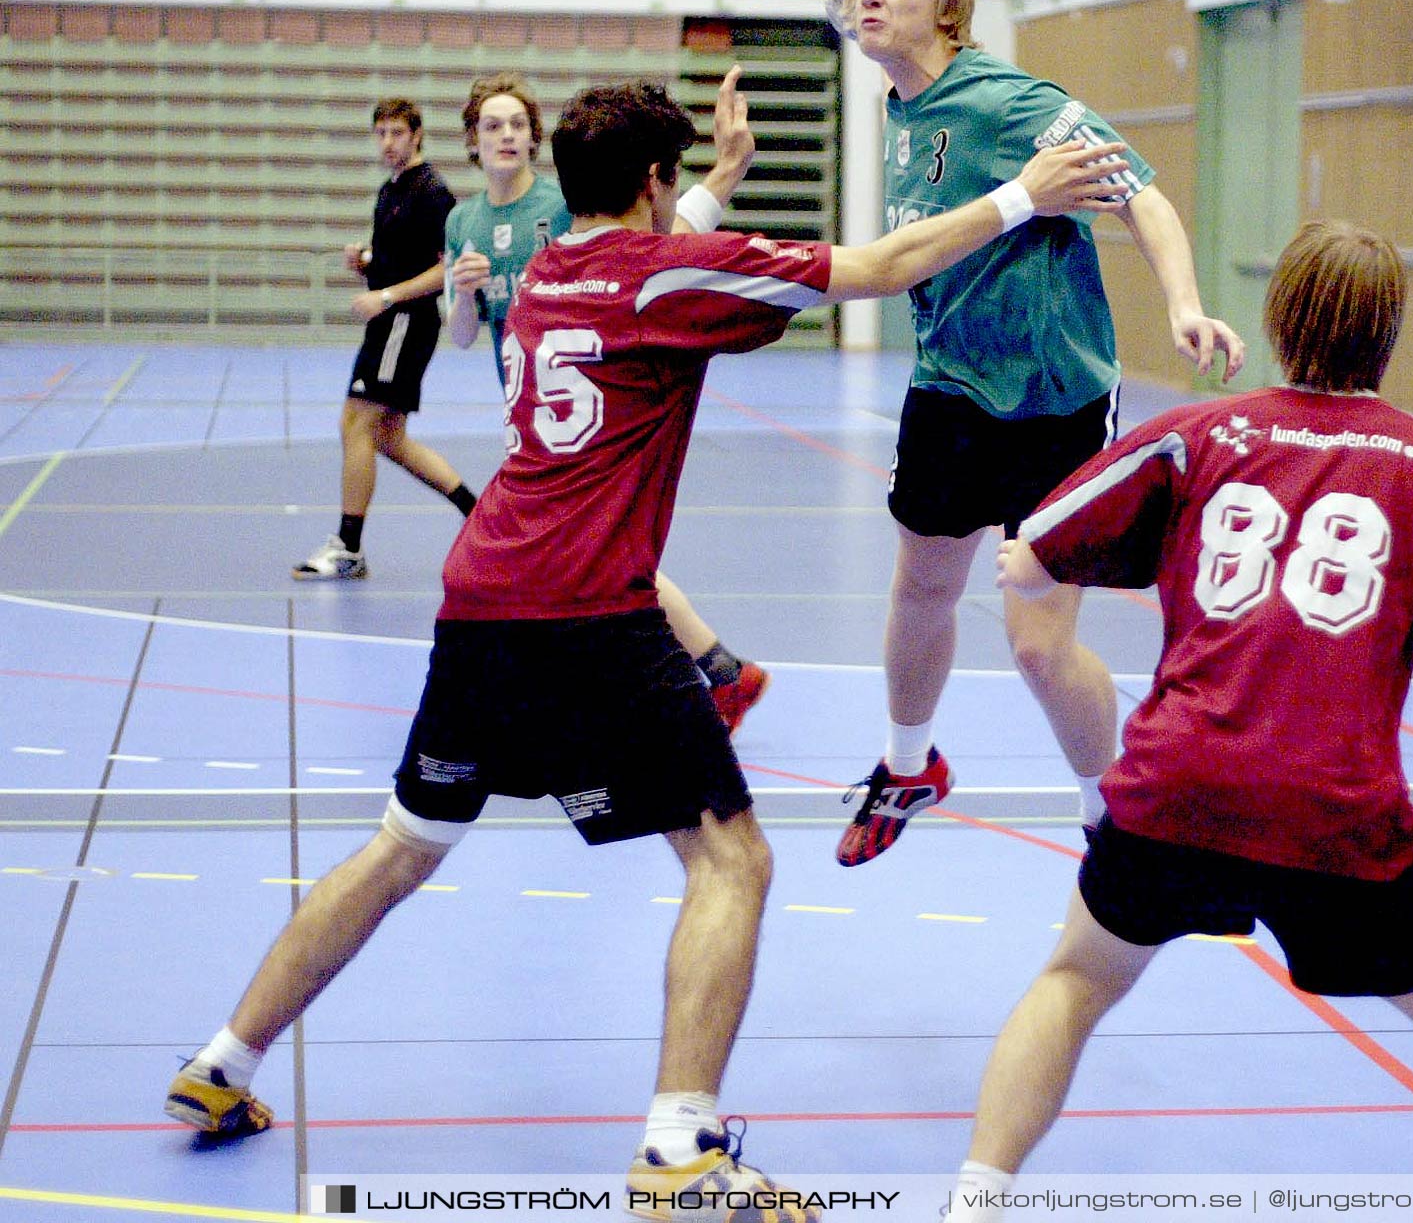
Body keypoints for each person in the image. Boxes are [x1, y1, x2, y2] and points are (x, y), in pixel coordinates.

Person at [161, 76, 1132, 1222]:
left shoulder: (547, 279)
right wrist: (1024, 193)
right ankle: (681, 1149)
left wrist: (718, 181)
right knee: (733, 862)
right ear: (652, 184)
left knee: (399, 849)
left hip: (480, 605)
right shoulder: (662, 276)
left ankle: (221, 1063)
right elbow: (872, 269)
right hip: (591, 618)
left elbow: (676, 255)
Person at [941, 219, 1413, 1223]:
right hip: (1336, 817)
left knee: (1077, 979)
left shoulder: (1202, 437)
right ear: (1390, 335)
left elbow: (1033, 553)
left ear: (1277, 320)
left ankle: (974, 1200)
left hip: (1173, 789)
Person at [831, 0, 1247, 867]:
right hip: (949, 384)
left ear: (946, 5)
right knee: (922, 587)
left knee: (1034, 643)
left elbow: (1139, 190)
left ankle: (1116, 816)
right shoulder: (898, 108)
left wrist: (1183, 303)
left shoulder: (1009, 101)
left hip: (1052, 401)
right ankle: (908, 766)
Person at [444, 70, 770, 730]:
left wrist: (726, 174)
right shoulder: (463, 220)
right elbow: (462, 337)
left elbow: (660, 248)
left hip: (603, 395)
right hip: (536, 406)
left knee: (590, 558)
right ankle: (719, 671)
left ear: (537, 141)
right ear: (473, 144)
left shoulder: (571, 207)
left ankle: (706, 674)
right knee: (595, 557)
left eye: (516, 124)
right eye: (491, 126)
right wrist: (462, 294)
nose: (505, 136)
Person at [293, 98, 477, 581]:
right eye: (380, 133)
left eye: (397, 132)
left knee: (354, 424)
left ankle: (349, 547)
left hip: (406, 323)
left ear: (416, 135)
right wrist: (367, 264)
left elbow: (446, 268)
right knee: (389, 438)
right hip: (388, 321)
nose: (388, 141)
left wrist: (389, 295)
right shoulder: (389, 191)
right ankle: (479, 515)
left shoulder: (432, 192)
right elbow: (399, 259)